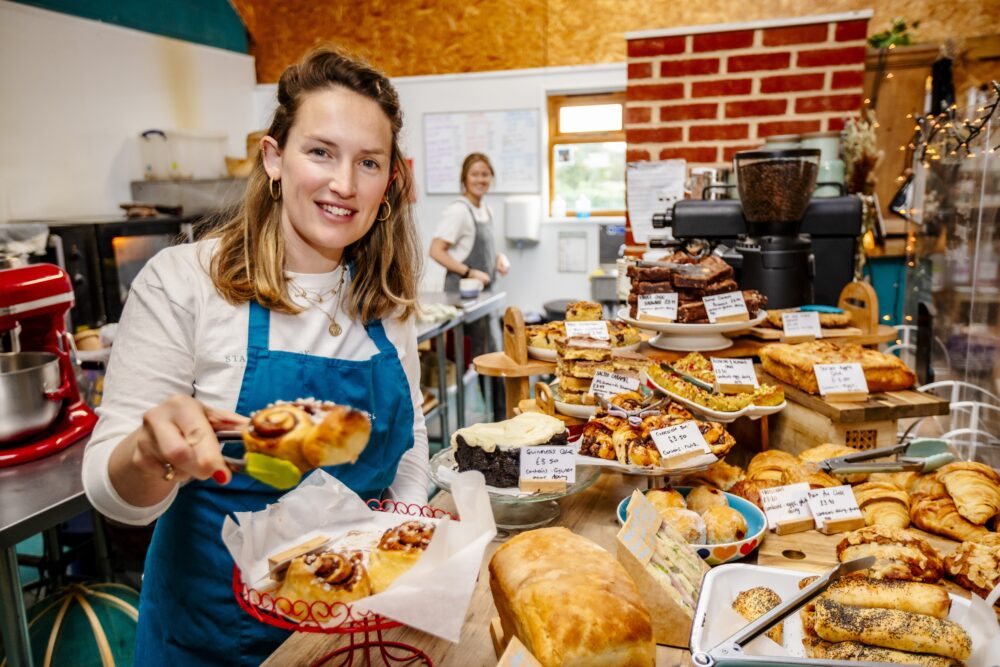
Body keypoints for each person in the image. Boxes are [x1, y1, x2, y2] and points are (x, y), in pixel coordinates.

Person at [82, 48, 430, 666]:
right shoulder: (185, 282)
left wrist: (399, 551)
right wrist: (148, 455)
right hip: (212, 633)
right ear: (274, 158)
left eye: (367, 162)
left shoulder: (387, 299)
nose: (344, 185)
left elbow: (410, 448)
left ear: (390, 181)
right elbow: (115, 498)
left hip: (349, 623)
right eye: (320, 151)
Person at [428, 153, 510, 417]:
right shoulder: (458, 211)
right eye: (474, 173)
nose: (480, 179)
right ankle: (497, 418)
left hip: (485, 297)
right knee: (487, 360)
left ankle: (499, 416)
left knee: (495, 358)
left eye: (485, 174)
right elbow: (436, 250)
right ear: (464, 178)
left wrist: (498, 258)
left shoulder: (486, 209)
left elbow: (481, 247)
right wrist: (469, 271)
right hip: (465, 298)